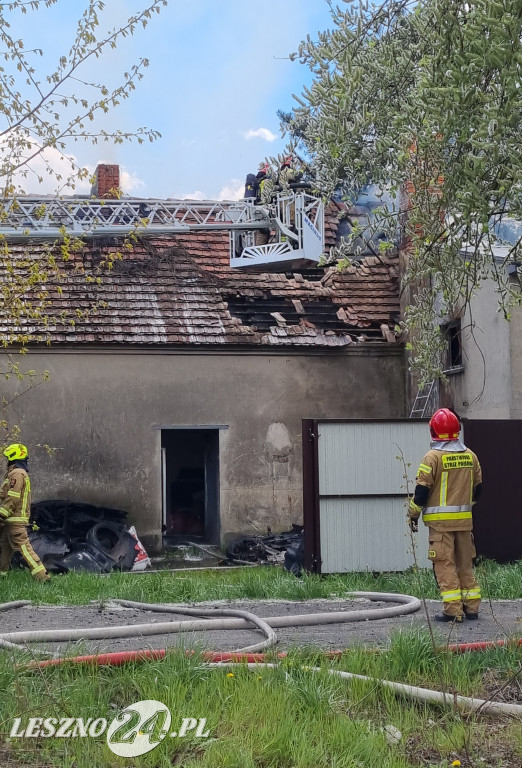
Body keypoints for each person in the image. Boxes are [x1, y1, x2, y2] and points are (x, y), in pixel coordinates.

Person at [408, 408, 482, 622]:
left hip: (440, 527)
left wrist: (413, 512)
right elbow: (478, 490)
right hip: (465, 523)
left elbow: (421, 492)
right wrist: (465, 507)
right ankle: (472, 609)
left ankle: (452, 611)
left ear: (433, 431)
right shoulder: (471, 456)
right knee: (465, 565)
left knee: (444, 565)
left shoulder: (432, 457)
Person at [0, 443, 49, 581]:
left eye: (8, 457)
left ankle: (43, 577)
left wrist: (2, 513)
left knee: (25, 549)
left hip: (14, 520)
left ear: (13, 457)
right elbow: (3, 492)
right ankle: (2, 575)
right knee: (5, 547)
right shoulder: (15, 474)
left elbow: (12, 497)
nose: (6, 461)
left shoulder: (17, 473)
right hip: (10, 521)